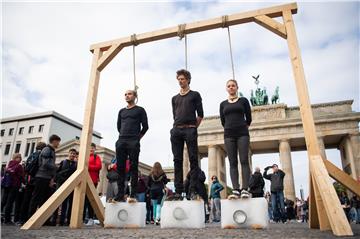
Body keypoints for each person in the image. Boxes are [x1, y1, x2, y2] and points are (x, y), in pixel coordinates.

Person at [169, 69, 203, 201]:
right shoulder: (174, 98)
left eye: (182, 79)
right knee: (177, 160)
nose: (180, 81)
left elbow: (200, 114)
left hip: (190, 129)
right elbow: (174, 115)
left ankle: (193, 190)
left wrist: (193, 127)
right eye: (178, 79)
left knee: (193, 159)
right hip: (176, 130)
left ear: (188, 80)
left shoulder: (195, 95)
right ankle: (178, 191)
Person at [114, 90, 149, 203]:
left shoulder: (140, 110)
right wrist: (123, 136)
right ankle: (120, 194)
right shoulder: (121, 111)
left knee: (133, 167)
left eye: (129, 94)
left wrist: (137, 138)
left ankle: (132, 193)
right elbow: (118, 126)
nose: (126, 96)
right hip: (121, 140)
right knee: (120, 168)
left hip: (133, 141)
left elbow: (145, 126)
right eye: (125, 94)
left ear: (135, 96)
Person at [219, 79, 252, 199]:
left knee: (243, 160)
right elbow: (223, 121)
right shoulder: (223, 104)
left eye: (233, 85)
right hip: (229, 134)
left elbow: (249, 118)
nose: (231, 87)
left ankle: (245, 189)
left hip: (242, 133)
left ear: (237, 87)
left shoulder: (243, 101)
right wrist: (230, 127)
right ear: (226, 88)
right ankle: (236, 189)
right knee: (232, 162)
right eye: (229, 86)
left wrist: (242, 126)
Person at [28, 135, 61, 220]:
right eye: (58, 141)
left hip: (46, 177)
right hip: (41, 177)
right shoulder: (47, 150)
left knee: (44, 199)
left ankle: (41, 219)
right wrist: (56, 167)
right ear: (54, 141)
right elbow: (45, 163)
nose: (59, 144)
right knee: (37, 197)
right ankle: (30, 218)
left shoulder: (51, 150)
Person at [18, 142, 46, 225]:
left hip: (29, 180)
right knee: (34, 199)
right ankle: (31, 219)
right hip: (36, 179)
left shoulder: (31, 155)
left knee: (26, 199)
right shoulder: (41, 155)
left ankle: (22, 219)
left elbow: (26, 168)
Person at [55, 148, 77, 226]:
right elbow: (57, 173)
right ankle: (59, 220)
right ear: (68, 154)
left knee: (70, 203)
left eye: (74, 154)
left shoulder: (76, 164)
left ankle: (68, 221)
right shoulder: (63, 162)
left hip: (72, 185)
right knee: (61, 202)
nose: (72, 155)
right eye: (71, 153)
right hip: (62, 184)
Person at [2, 153, 24, 224]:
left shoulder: (9, 165)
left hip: (7, 185)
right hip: (14, 185)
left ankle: (5, 218)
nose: (20, 159)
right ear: (16, 158)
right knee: (10, 202)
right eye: (19, 157)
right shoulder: (19, 166)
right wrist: (24, 183)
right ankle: (7, 220)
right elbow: (21, 177)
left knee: (4, 201)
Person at [84, 143, 102, 226]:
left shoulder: (96, 157)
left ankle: (91, 218)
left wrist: (87, 166)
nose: (91, 149)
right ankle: (82, 218)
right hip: (84, 179)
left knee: (90, 199)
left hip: (93, 180)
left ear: (95, 149)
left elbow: (99, 166)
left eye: (93, 148)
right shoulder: (85, 156)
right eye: (90, 148)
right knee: (83, 199)